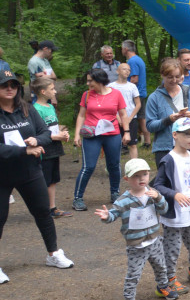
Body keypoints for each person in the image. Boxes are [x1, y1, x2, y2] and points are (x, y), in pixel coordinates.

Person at [0, 69, 74, 284]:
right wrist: (23, 150)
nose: (9, 88)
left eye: (13, 85)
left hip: (29, 171)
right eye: (4, 85)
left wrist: (36, 140)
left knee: (43, 211)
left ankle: (53, 254)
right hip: (2, 174)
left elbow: (45, 133)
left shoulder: (27, 109)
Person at [95, 158, 177, 300]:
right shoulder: (123, 201)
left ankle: (163, 287)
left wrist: (158, 198)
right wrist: (106, 216)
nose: (141, 179)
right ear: (126, 179)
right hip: (136, 246)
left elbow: (165, 209)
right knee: (134, 274)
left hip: (155, 241)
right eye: (136, 176)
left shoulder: (153, 194)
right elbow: (114, 214)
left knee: (161, 267)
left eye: (145, 174)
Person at [153, 117, 190, 295]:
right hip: (173, 216)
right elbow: (158, 185)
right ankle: (169, 279)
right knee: (172, 250)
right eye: (186, 134)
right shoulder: (168, 160)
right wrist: (175, 194)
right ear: (174, 135)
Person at [72, 68, 131, 211]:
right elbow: (81, 115)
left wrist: (127, 132)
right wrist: (76, 135)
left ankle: (115, 193)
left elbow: (123, 115)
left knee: (114, 165)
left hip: (112, 134)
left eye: (90, 80)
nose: (88, 83)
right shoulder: (86, 95)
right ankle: (77, 198)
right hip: (92, 135)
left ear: (99, 80)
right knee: (88, 166)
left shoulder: (116, 94)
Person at [146, 57, 190, 166]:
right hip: (165, 148)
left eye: (177, 77)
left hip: (189, 146)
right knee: (167, 181)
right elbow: (150, 126)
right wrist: (168, 120)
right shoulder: (154, 98)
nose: (174, 80)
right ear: (162, 75)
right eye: (170, 77)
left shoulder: (189, 92)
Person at [30, 77, 72, 218]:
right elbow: (39, 133)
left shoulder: (50, 107)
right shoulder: (35, 109)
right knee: (45, 179)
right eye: (52, 89)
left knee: (53, 179)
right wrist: (56, 136)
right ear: (42, 91)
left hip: (55, 148)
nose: (55, 91)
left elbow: (52, 127)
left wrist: (62, 133)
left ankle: (52, 208)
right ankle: (43, 209)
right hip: (45, 148)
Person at [122, 40, 150, 147]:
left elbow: (134, 79)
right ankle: (146, 140)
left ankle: (143, 141)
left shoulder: (132, 61)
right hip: (141, 92)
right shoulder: (138, 59)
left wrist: (124, 87)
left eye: (122, 48)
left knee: (138, 118)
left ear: (126, 49)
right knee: (141, 118)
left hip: (136, 94)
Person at [111, 62, 142, 160]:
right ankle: (112, 166)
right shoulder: (111, 86)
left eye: (129, 70)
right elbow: (110, 104)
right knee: (114, 145)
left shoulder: (132, 86)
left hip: (131, 118)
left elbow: (138, 104)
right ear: (117, 71)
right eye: (124, 69)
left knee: (132, 144)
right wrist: (117, 117)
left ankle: (135, 166)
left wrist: (130, 118)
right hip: (115, 118)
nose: (127, 71)